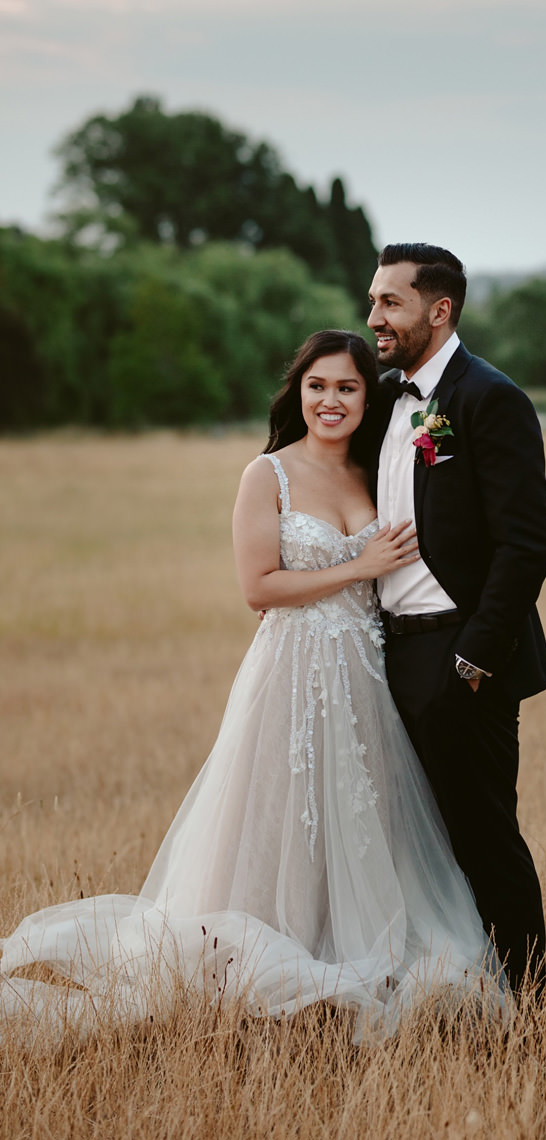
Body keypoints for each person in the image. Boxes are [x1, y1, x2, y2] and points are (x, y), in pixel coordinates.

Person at [0, 330, 501, 1042]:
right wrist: (359, 568)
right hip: (291, 671)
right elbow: (257, 586)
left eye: (348, 388)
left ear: (369, 397)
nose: (331, 400)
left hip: (362, 677)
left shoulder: (376, 470)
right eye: (318, 386)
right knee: (279, 815)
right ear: (297, 392)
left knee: (360, 816)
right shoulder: (268, 475)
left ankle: (348, 947)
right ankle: (267, 957)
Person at [366, 244, 546, 1000]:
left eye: (390, 303)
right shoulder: (385, 398)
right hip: (387, 654)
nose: (374, 316)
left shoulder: (488, 397)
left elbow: (526, 542)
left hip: (460, 658)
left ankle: (523, 1005)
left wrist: (473, 660)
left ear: (439, 310)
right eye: (374, 299)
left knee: (481, 839)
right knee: (411, 843)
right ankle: (446, 996)